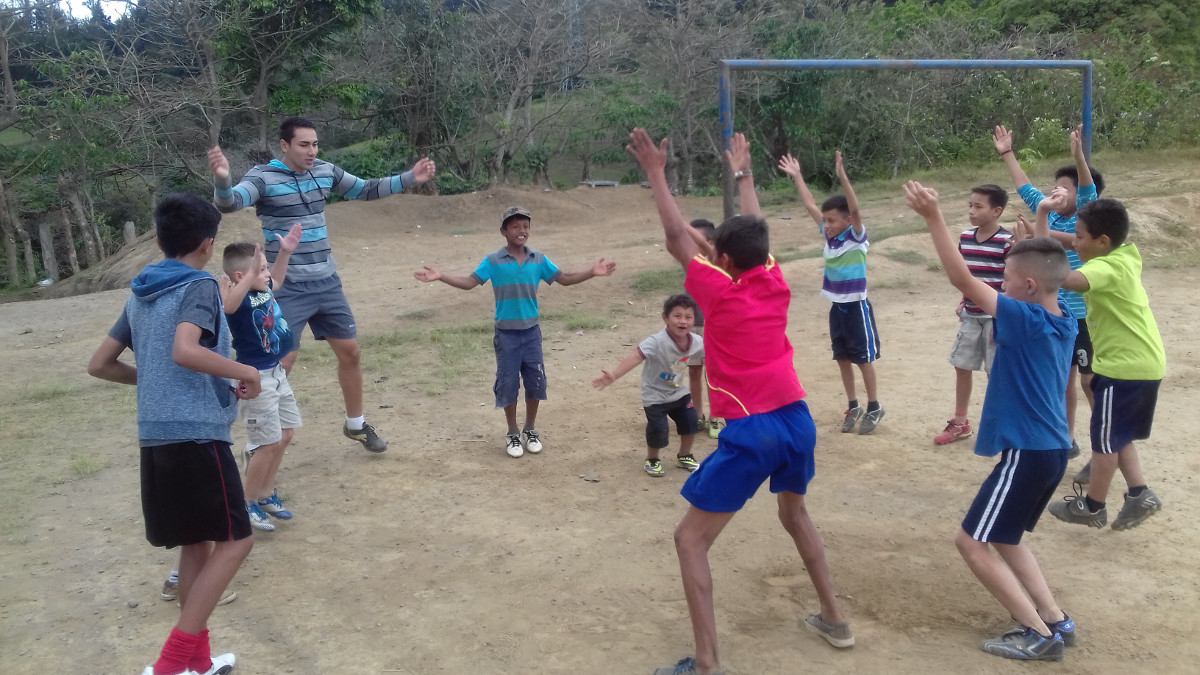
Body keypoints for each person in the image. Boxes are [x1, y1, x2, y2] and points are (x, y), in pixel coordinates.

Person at [629, 128, 851, 675]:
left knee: (690, 541)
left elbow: (674, 236)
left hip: (753, 431)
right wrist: (744, 174)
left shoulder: (718, 292)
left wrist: (657, 171)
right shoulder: (774, 280)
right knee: (794, 514)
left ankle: (707, 666)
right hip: (797, 421)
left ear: (722, 258)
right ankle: (835, 618)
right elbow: (755, 232)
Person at [87, 193, 260, 675]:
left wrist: (157, 379)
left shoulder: (140, 291)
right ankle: (169, 665)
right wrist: (246, 369)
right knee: (236, 541)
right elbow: (186, 350)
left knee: (196, 545)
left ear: (161, 239)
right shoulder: (200, 284)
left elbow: (99, 364)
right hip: (197, 435)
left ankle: (197, 665)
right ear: (208, 245)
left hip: (157, 437)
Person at [905, 180, 1076, 662]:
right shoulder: (1060, 317)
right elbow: (1044, 269)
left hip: (1028, 451)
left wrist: (934, 218)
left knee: (972, 542)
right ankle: (1055, 619)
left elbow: (962, 280)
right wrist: (1032, 234)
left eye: (1004, 275)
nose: (997, 282)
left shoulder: (1024, 318)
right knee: (1004, 536)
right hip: (1049, 451)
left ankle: (1037, 634)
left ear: (1025, 288)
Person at [209, 116, 436, 453]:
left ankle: (356, 425)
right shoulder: (263, 177)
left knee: (351, 352)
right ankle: (258, 442)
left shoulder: (325, 171)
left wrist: (409, 178)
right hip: (285, 285)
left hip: (326, 282)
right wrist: (223, 180)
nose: (312, 151)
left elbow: (365, 188)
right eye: (304, 144)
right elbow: (230, 204)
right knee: (280, 361)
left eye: (315, 144)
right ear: (284, 145)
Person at [412, 206, 616, 457]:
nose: (522, 230)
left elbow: (564, 278)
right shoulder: (493, 261)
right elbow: (469, 282)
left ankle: (530, 429)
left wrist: (591, 273)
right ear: (503, 231)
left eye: (525, 226)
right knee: (508, 384)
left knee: (535, 382)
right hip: (506, 335)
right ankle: (512, 432)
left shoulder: (538, 259)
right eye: (515, 226)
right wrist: (440, 275)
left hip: (531, 333)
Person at [1035, 198, 1166, 531]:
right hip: (1140, 364)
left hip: (1125, 368)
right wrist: (1044, 233)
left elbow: (1068, 280)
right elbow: (1071, 249)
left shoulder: (1104, 268)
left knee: (1104, 441)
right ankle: (1139, 493)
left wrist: (1037, 249)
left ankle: (1093, 506)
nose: (1073, 242)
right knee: (1117, 434)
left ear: (1102, 241)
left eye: (1078, 237)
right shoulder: (1121, 258)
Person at [994, 124, 1104, 462]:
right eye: (1054, 186)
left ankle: (1105, 438)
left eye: (1063, 187)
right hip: (1058, 314)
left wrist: (1079, 159)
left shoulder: (1086, 214)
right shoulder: (1050, 211)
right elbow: (1025, 187)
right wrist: (1008, 153)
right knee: (1062, 383)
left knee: (1089, 383)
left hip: (1082, 317)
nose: (1056, 191)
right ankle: (1065, 439)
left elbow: (1086, 189)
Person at [777, 151, 884, 434]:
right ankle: (853, 404)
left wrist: (842, 176)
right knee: (842, 357)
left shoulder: (856, 236)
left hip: (857, 306)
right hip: (837, 306)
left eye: (832, 220)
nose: (826, 225)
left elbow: (856, 210)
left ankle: (874, 405)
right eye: (825, 221)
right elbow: (810, 204)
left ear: (848, 220)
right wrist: (798, 176)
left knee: (863, 359)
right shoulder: (830, 238)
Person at [219, 226, 303, 532]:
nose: (267, 273)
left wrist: (285, 253)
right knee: (267, 442)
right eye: (260, 268)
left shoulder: (262, 289)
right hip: (257, 380)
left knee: (285, 436)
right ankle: (246, 501)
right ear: (241, 276)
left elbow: (277, 280)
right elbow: (227, 305)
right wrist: (252, 271)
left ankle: (265, 493)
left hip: (277, 373)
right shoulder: (236, 299)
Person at [933, 185, 1013, 445]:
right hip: (970, 314)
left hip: (996, 317)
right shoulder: (965, 237)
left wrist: (1007, 312)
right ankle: (960, 422)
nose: (971, 211)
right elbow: (965, 276)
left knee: (996, 371)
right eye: (970, 205)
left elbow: (1012, 280)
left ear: (996, 211)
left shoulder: (1006, 241)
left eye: (978, 206)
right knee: (962, 365)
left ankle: (1001, 423)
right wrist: (962, 300)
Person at [592, 294, 705, 476]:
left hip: (678, 392)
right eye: (677, 316)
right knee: (658, 429)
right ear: (665, 318)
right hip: (654, 395)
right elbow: (635, 357)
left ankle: (685, 455)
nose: (683, 321)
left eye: (688, 317)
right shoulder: (656, 341)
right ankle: (652, 458)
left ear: (694, 320)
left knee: (691, 420)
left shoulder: (697, 342)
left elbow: (715, 354)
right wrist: (613, 375)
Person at [687, 218, 721, 439]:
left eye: (694, 240)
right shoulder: (690, 262)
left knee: (714, 376)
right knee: (693, 371)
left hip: (713, 328)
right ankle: (697, 415)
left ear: (709, 242)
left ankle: (716, 416)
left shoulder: (718, 264)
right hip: (691, 328)